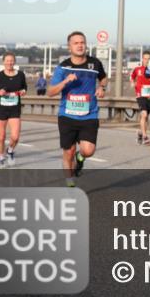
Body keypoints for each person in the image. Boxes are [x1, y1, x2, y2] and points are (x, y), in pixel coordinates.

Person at [47, 31, 107, 185]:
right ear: (69, 47)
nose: (80, 46)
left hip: (89, 115)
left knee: (88, 150)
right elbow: (50, 92)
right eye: (76, 43)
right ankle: (70, 183)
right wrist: (65, 81)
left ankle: (80, 159)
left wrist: (101, 87)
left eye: (82, 42)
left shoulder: (95, 64)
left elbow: (104, 78)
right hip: (67, 116)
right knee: (68, 152)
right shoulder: (63, 67)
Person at [0, 52, 27, 167]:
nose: (9, 63)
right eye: (7, 61)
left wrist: (23, 91)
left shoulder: (20, 75)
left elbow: (24, 87)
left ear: (14, 62)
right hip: (1, 109)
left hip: (15, 108)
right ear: (3, 62)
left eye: (11, 60)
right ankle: (1, 158)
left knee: (15, 137)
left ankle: (10, 150)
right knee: (1, 137)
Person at [131, 51, 150, 145]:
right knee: (144, 114)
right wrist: (133, 82)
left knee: (146, 117)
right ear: (142, 59)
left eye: (149, 59)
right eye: (145, 58)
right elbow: (132, 76)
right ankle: (145, 137)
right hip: (140, 95)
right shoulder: (137, 69)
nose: (147, 61)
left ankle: (140, 133)